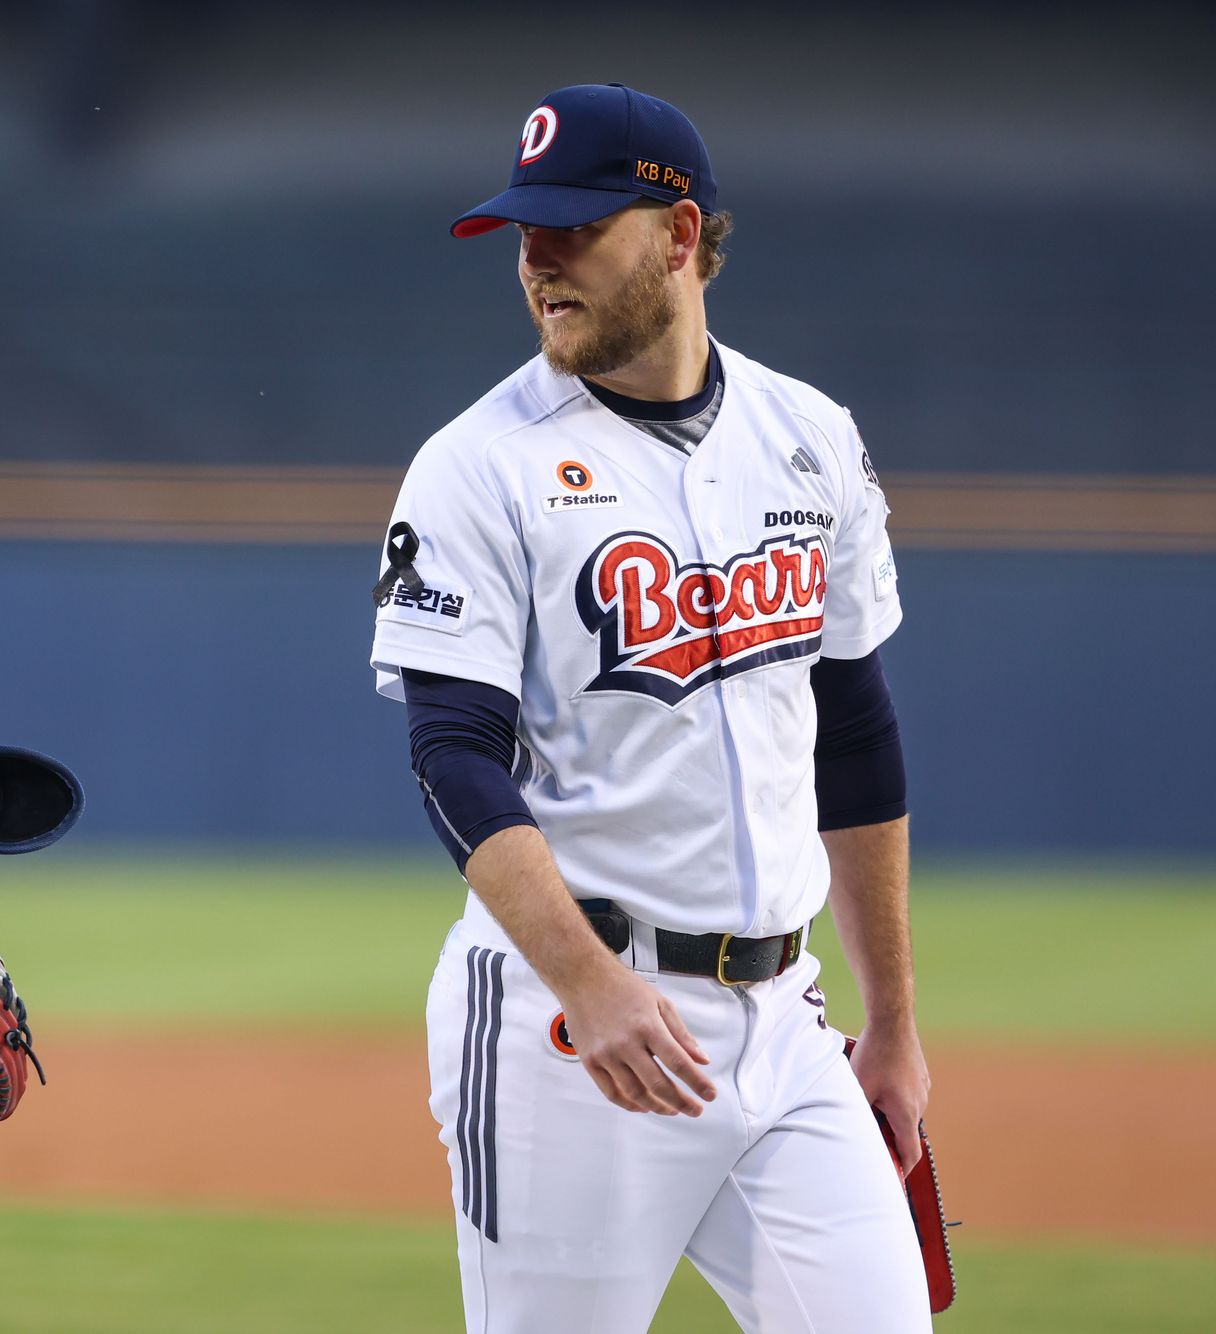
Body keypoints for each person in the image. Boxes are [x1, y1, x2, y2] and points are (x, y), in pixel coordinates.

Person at [369, 85, 932, 1333]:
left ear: (679, 237)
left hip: (785, 1029)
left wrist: (889, 1019)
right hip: (566, 1027)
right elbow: (451, 754)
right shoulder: (477, 463)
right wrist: (586, 982)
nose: (536, 255)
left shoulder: (809, 436)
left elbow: (854, 730)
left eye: (573, 223)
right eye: (523, 229)